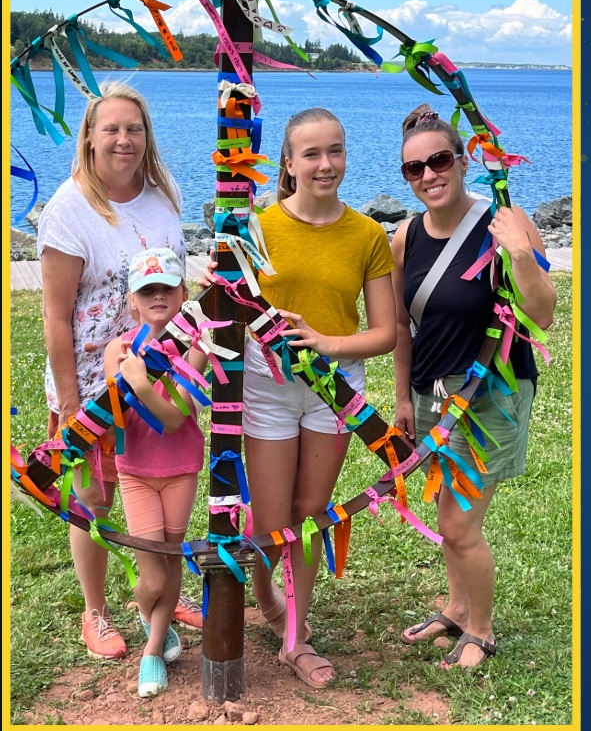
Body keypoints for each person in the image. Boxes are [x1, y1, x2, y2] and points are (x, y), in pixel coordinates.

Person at [36, 82, 201, 661]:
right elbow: (56, 317)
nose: (124, 139)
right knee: (92, 501)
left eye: (134, 129)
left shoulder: (163, 195)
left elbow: (177, 285)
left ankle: (156, 592)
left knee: (149, 489)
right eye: (112, 128)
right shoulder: (69, 208)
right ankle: (96, 610)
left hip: (159, 380)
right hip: (91, 382)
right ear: (89, 136)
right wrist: (70, 401)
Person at [391, 105, 556, 668]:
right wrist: (401, 398)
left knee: (459, 523)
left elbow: (543, 312)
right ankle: (456, 609)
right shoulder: (405, 236)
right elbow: (402, 327)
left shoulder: (504, 222)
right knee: (444, 509)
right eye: (414, 169)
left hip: (489, 392)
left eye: (439, 160)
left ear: (463, 161)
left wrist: (518, 253)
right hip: (431, 390)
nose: (429, 175)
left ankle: (481, 630)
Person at [239, 107, 396, 688]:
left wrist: (330, 342)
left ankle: (295, 638)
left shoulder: (367, 234)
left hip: (336, 392)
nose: (325, 164)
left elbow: (385, 331)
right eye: (311, 153)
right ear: (288, 162)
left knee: (309, 518)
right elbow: (225, 304)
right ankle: (267, 596)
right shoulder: (255, 228)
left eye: (335, 151)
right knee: (270, 520)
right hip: (268, 387)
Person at [104, 248, 209, 697]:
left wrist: (141, 383)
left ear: (183, 293)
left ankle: (151, 649)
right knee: (153, 577)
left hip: (181, 467)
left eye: (167, 287)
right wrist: (123, 378)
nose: (159, 296)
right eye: (148, 290)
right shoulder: (119, 349)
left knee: (171, 559)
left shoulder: (197, 348)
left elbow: (175, 417)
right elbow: (112, 420)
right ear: (132, 301)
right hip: (135, 471)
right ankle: (155, 621)